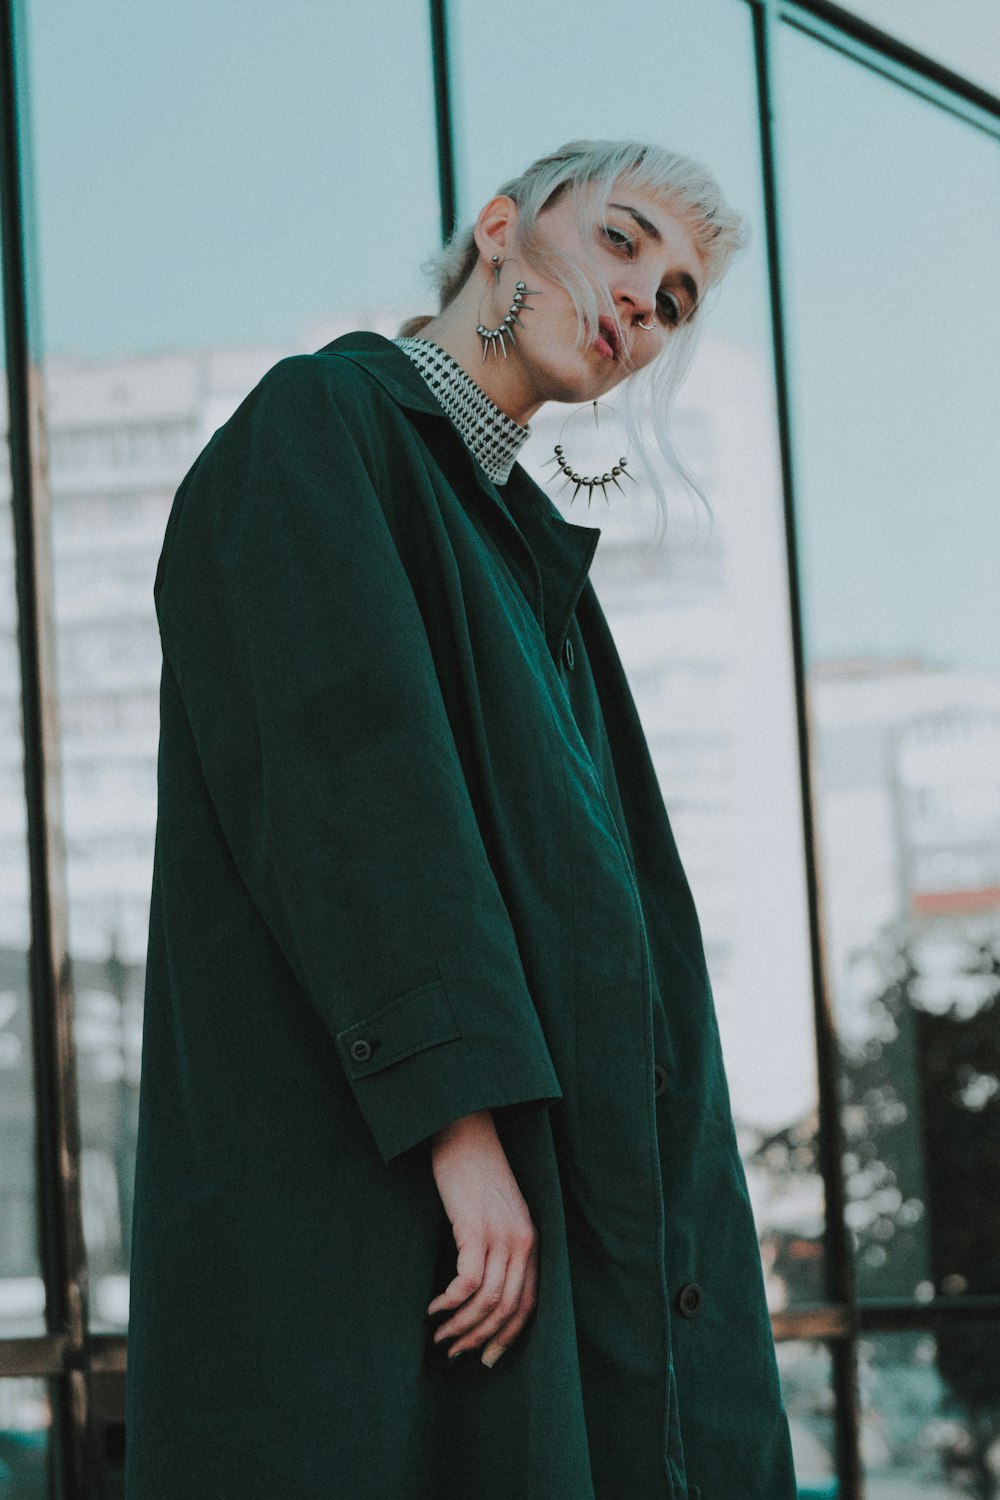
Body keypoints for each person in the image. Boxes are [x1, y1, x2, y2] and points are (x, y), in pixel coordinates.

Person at [124, 139, 799, 1499]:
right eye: (620, 243)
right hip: (408, 1197)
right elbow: (346, 788)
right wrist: (461, 1126)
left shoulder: (530, 560)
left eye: (673, 300)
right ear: (502, 227)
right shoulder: (322, 428)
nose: (639, 306)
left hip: (518, 1202)